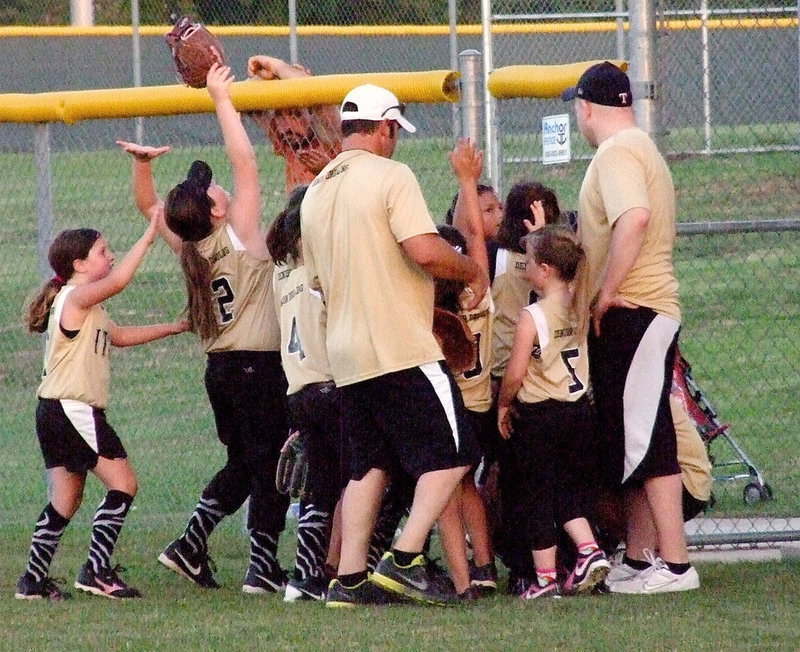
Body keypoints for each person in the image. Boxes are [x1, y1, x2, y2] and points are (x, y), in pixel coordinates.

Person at [300, 84, 488, 607]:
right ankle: (403, 558)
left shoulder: (316, 191)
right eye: (394, 133)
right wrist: (470, 269)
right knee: (457, 453)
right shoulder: (391, 176)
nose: (394, 143)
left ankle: (349, 579)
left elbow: (317, 281)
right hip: (400, 345)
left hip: (347, 352)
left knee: (369, 466)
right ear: (383, 128)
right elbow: (424, 250)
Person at [120, 63, 290, 594]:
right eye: (211, 190)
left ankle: (191, 543)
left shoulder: (191, 246)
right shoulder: (238, 233)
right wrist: (221, 100)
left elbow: (151, 208)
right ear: (217, 212)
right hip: (256, 367)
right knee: (268, 467)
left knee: (244, 462)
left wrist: (144, 168)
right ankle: (260, 568)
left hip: (220, 370)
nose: (218, 186)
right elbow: (246, 162)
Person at [562, 61, 699, 593]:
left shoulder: (617, 152)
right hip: (641, 310)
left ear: (585, 107)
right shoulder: (640, 147)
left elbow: (634, 218)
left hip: (636, 308)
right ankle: (643, 559)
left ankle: (677, 565)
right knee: (635, 436)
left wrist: (609, 290)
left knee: (649, 435)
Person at [15, 221, 188, 601]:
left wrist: (176, 327)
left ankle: (32, 581)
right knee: (124, 484)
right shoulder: (75, 298)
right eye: (103, 252)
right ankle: (95, 571)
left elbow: (120, 337)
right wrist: (149, 234)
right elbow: (122, 279)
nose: (110, 256)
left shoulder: (86, 304)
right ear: (79, 264)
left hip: (55, 411)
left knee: (66, 500)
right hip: (72, 409)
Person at [497, 225, 609, 599]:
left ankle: (544, 579)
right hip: (578, 413)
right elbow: (567, 260)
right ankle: (589, 551)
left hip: (541, 417)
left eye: (529, 262)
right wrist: (545, 232)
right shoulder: (578, 303)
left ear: (544, 270)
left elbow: (515, 373)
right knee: (567, 492)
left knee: (537, 497)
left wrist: (503, 404)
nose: (525, 267)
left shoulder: (533, 316)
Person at [266, 185, 347, 602]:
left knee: (321, 485)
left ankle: (304, 575)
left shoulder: (280, 271)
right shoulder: (318, 265)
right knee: (350, 479)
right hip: (328, 383)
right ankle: (336, 570)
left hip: (297, 389)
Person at [246, 55, 341, 194]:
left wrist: (277, 66)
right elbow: (249, 100)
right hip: (295, 214)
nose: (286, 127)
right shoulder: (288, 140)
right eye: (279, 116)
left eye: (295, 115)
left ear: (311, 111)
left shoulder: (329, 134)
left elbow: (315, 90)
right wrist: (269, 77)